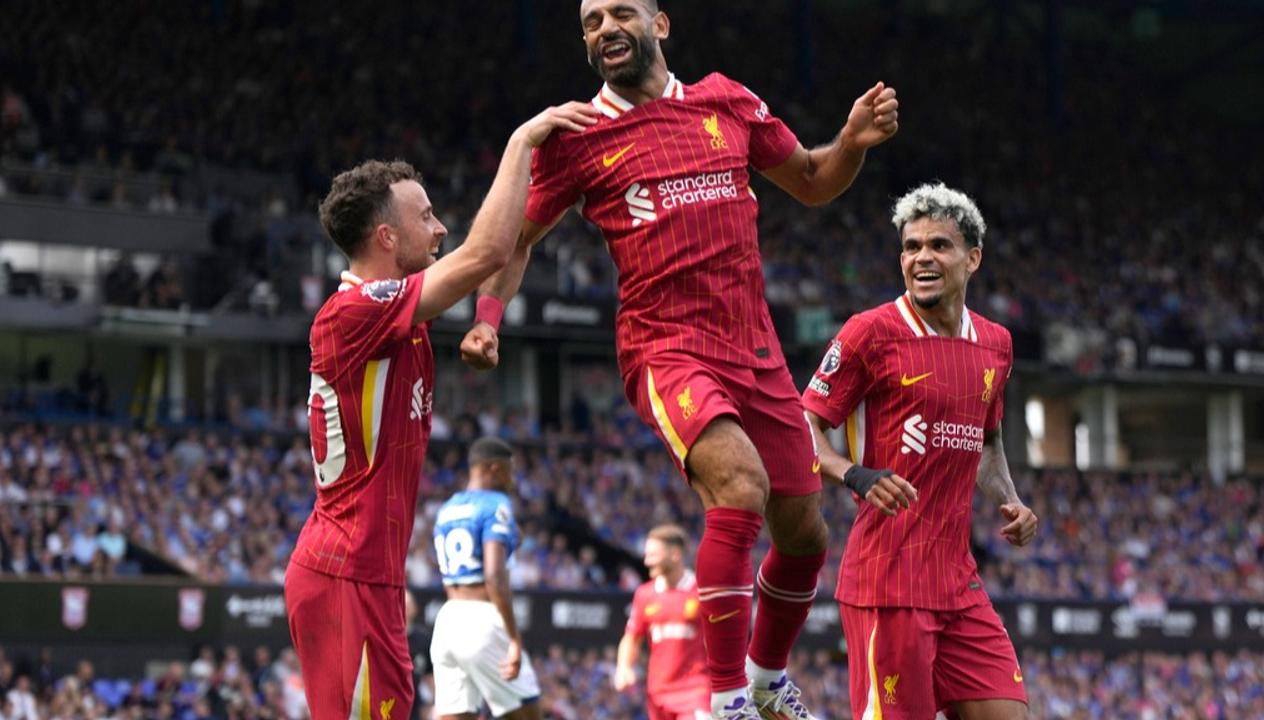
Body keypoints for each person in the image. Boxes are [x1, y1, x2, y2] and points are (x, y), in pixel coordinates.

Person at [459, 2, 898, 717]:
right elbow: (517, 239)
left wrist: (851, 141)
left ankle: (763, 677)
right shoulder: (578, 137)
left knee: (806, 535)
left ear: (660, 24)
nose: (604, 29)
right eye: (591, 20)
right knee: (740, 486)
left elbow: (815, 180)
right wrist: (486, 318)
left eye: (620, 13)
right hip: (667, 349)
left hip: (756, 351)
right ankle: (726, 699)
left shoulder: (727, 102)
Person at [284, 102, 597, 720]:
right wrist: (522, 141)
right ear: (386, 238)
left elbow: (511, 247)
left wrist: (487, 320)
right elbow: (486, 251)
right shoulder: (355, 314)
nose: (440, 228)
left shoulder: (395, 314)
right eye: (425, 215)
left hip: (367, 573)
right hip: (346, 572)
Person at [800, 183, 1039, 720]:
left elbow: (987, 439)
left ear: (972, 258)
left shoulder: (996, 343)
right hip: (889, 582)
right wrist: (852, 473)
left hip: (960, 583)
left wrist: (1012, 499)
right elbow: (803, 424)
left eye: (939, 245)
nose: (922, 257)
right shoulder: (870, 333)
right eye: (911, 246)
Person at [429, 437, 540, 720]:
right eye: (509, 470)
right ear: (493, 469)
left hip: (448, 620)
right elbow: (493, 574)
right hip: (482, 620)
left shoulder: (447, 508)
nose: (512, 479)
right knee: (527, 714)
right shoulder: (496, 503)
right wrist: (514, 638)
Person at [614, 524, 711, 720]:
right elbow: (632, 637)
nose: (647, 561)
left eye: (653, 555)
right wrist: (624, 667)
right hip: (657, 693)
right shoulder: (645, 594)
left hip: (695, 690)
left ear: (675, 554)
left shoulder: (702, 591)